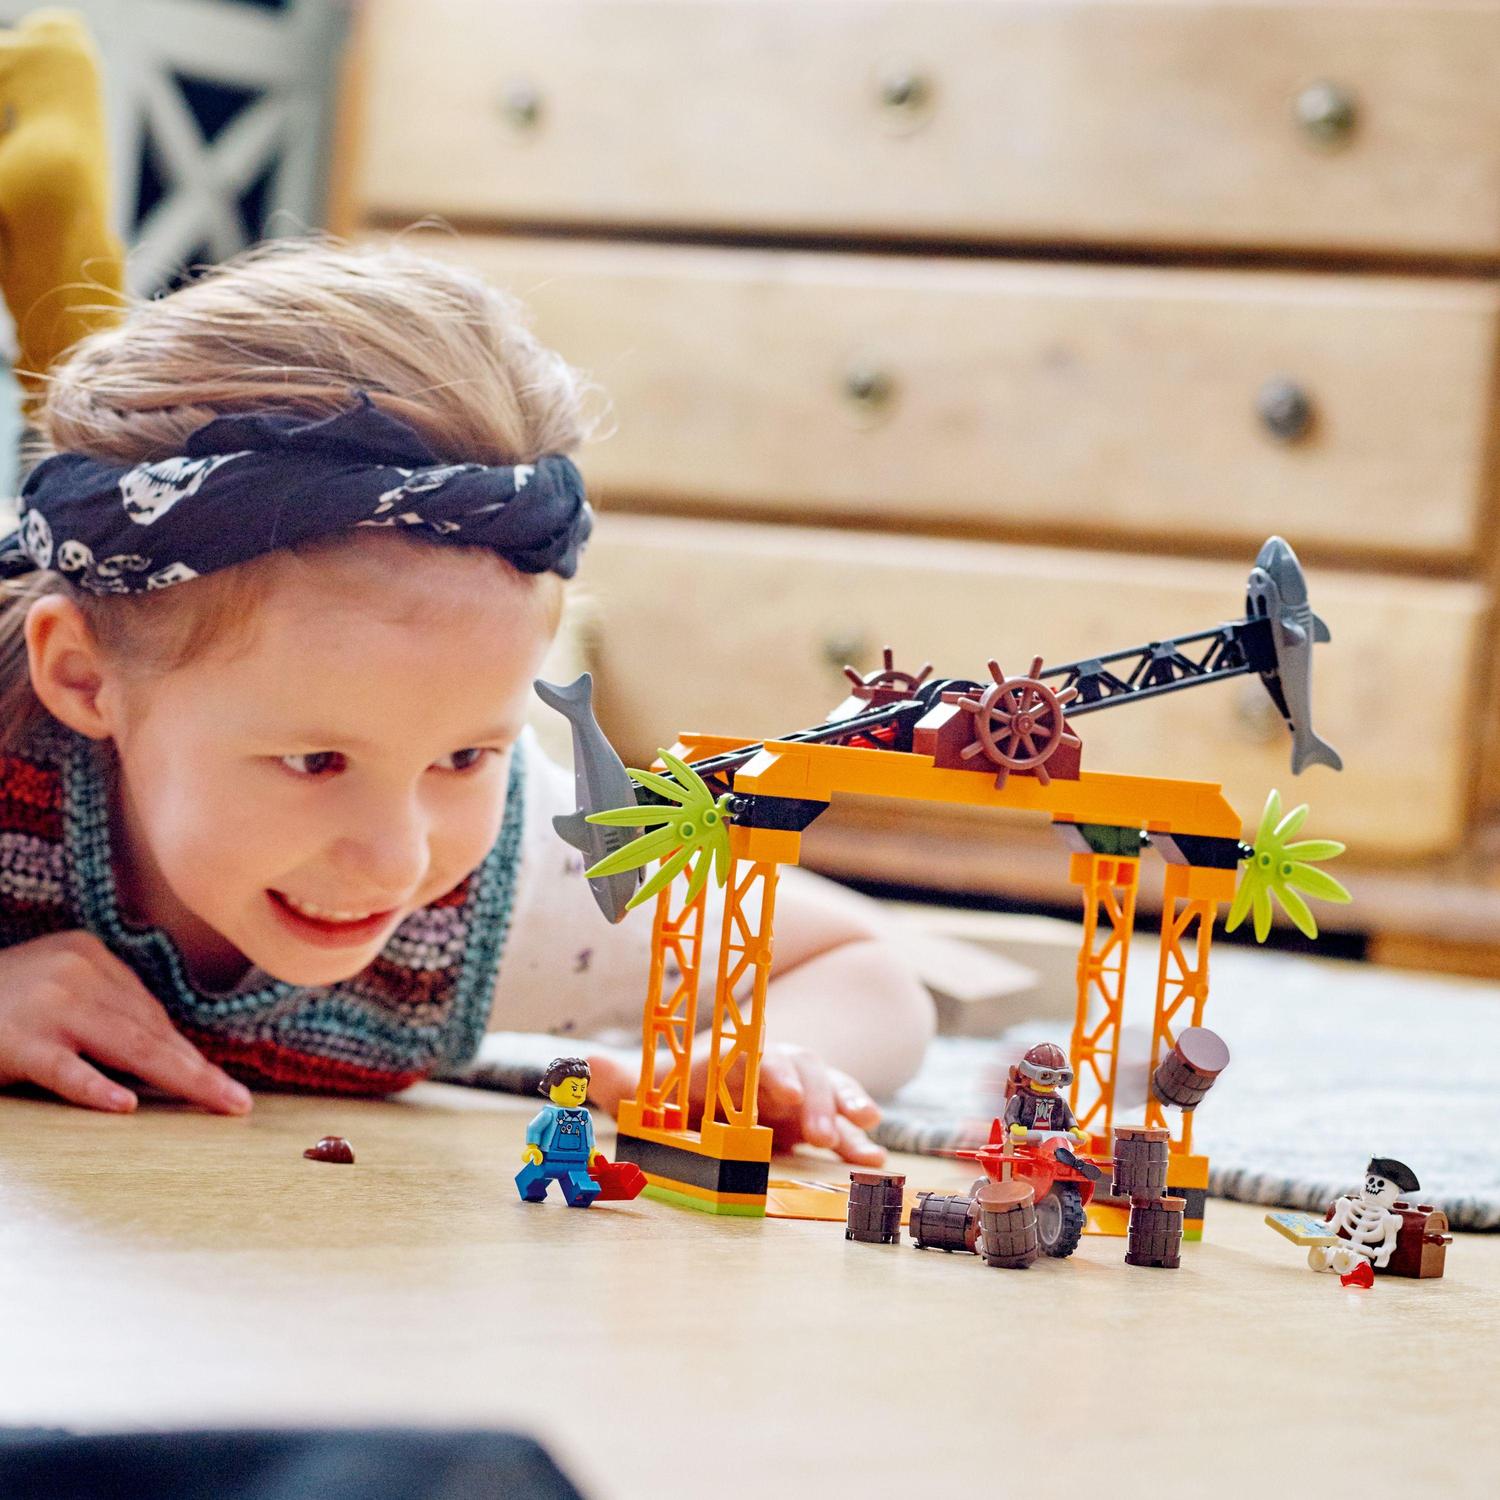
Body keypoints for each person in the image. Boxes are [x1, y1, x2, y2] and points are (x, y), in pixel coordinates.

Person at [0, 239, 933, 1164]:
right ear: (83, 677)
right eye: (315, 761)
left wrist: (743, 1064)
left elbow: (862, 969)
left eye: (464, 757)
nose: (398, 862)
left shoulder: (517, 884)